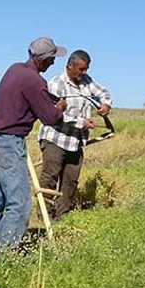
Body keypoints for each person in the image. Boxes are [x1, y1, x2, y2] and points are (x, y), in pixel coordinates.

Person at [0, 37, 68, 258]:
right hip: (10, 143)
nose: (53, 64)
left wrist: (47, 97)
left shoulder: (15, 69)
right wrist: (60, 107)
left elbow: (28, 97)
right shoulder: (34, 81)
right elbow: (50, 118)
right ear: (43, 59)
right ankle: (4, 256)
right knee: (20, 203)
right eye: (52, 59)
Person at [37, 50, 112, 217]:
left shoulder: (86, 81)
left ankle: (62, 216)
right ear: (69, 66)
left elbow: (103, 93)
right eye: (81, 69)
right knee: (50, 177)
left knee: (70, 180)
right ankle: (44, 217)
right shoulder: (56, 84)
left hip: (76, 141)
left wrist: (106, 105)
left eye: (86, 69)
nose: (84, 73)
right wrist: (82, 123)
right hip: (55, 138)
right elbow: (54, 115)